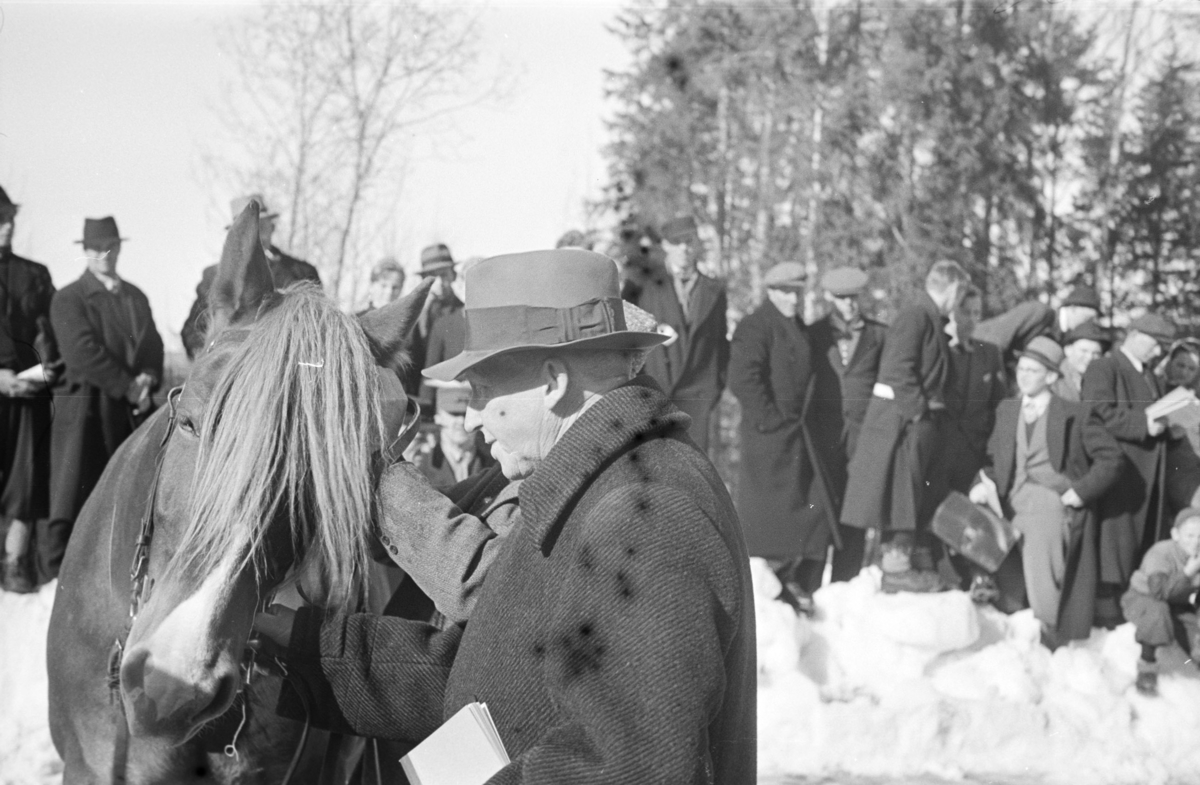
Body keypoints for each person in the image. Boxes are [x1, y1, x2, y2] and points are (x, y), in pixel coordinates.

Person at [256, 249, 756, 782]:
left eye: (481, 389)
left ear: (553, 383)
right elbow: (500, 680)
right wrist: (308, 647)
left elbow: (630, 768)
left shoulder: (643, 513)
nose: (470, 418)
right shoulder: (591, 485)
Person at [970, 337, 1123, 645]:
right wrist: (981, 484)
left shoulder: (1074, 413)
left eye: (1033, 371)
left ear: (1051, 377)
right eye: (1021, 369)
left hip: (1048, 499)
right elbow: (993, 457)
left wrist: (1081, 491)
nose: (1023, 376)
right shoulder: (1007, 409)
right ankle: (1000, 611)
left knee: (1042, 559)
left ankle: (1051, 631)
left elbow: (1112, 459)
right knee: (974, 527)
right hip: (1008, 497)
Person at [47, 217, 163, 580]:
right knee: (75, 492)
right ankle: (57, 575)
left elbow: (153, 344)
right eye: (96, 248)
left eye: (110, 246)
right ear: (84, 252)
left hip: (131, 411)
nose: (104, 254)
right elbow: (82, 353)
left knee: (132, 494)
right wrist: (129, 386)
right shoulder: (69, 299)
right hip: (88, 410)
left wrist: (149, 376)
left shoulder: (135, 296)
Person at [730, 262, 840, 611]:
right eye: (787, 292)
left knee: (811, 510)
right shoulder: (756, 326)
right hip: (770, 439)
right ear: (772, 292)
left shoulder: (796, 326)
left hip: (797, 435)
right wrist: (771, 420)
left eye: (798, 292)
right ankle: (772, 590)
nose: (794, 299)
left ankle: (794, 582)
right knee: (771, 520)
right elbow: (743, 378)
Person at [840, 259, 970, 559]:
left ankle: (903, 565)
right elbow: (897, 370)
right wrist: (919, 414)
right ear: (952, 289)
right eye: (960, 294)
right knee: (900, 506)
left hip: (913, 425)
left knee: (908, 504)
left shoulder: (929, 317)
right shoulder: (916, 316)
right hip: (903, 428)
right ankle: (895, 569)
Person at [1082, 313, 1191, 626]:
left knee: (1139, 542)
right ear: (1133, 335)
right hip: (1122, 470)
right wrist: (1144, 424)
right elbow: (1098, 412)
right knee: (1115, 542)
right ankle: (1108, 610)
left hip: (1149, 474)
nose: (1158, 352)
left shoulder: (1149, 375)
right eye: (1155, 344)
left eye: (1163, 347)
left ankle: (1131, 608)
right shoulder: (1105, 367)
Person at [805, 266, 886, 583]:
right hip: (823, 435)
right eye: (841, 298)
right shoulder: (813, 334)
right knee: (821, 508)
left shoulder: (879, 335)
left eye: (854, 297)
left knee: (855, 509)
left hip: (863, 436)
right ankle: (810, 582)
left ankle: (845, 582)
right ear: (829, 297)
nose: (849, 304)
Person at [624, 215, 729, 451]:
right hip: (653, 398)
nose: (684, 248)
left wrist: (713, 390)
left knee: (693, 467)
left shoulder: (713, 291)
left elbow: (721, 346)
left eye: (689, 241)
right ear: (665, 245)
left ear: (697, 243)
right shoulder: (643, 286)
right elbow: (626, 341)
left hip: (697, 402)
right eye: (676, 242)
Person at [0, 186, 59, 592]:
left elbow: (48, 334)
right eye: (0, 220)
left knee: (24, 481)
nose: (7, 227)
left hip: (25, 394)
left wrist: (40, 372)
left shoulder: (34, 275)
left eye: (10, 219)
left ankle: (14, 562)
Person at [181, 194, 320, 358]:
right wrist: (209, 358)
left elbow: (316, 324)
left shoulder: (301, 272)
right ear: (234, 236)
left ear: (272, 228)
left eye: (261, 227)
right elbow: (192, 330)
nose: (255, 236)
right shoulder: (214, 277)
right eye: (245, 231)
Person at [1120, 507, 1200, 696]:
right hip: (1143, 599)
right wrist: (1188, 572)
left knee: (1194, 637)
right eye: (1190, 535)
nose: (1196, 542)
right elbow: (1159, 591)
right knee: (1158, 613)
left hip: (1177, 602)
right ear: (1175, 534)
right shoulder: (1161, 552)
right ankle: (1147, 666)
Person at [941, 285, 1007, 495]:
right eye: (966, 312)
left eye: (976, 313)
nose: (972, 320)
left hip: (973, 454)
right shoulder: (938, 350)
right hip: (938, 453)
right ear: (953, 313)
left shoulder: (989, 353)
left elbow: (1000, 407)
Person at [974, 282, 1102, 373]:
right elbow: (994, 341)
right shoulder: (1040, 312)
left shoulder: (1062, 337)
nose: (1090, 324)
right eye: (1089, 318)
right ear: (1073, 308)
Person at [405, 243, 463, 407]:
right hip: (412, 397)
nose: (439, 282)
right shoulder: (412, 313)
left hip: (448, 401)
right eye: (432, 277)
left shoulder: (461, 315)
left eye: (444, 275)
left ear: (453, 275)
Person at [412, 382, 492, 491]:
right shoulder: (421, 467)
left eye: (466, 414)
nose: (461, 421)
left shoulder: (493, 465)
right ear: (438, 418)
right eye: (454, 414)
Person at [1052, 320, 1110, 402]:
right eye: (1084, 351)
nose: (1089, 357)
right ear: (1068, 350)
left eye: (1096, 353)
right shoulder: (1054, 381)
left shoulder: (1103, 382)